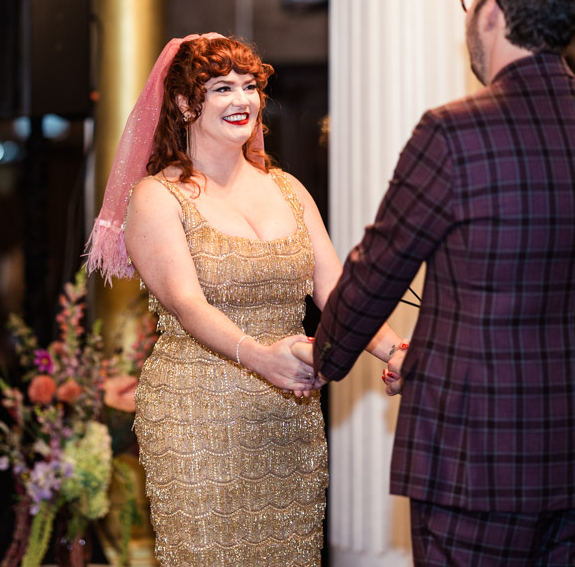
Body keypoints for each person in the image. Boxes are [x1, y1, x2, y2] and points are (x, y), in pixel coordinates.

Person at [312, 0, 575, 565]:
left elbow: (380, 267)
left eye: (472, 1)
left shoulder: (454, 131)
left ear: (490, 9)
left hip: (478, 460)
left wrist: (323, 357)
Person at [85, 33, 402, 565]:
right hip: (196, 414)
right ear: (186, 103)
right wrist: (261, 357)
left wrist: (394, 352)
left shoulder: (288, 188)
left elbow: (338, 290)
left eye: (250, 86)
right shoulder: (157, 197)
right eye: (221, 88)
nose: (243, 100)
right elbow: (187, 304)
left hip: (286, 415)